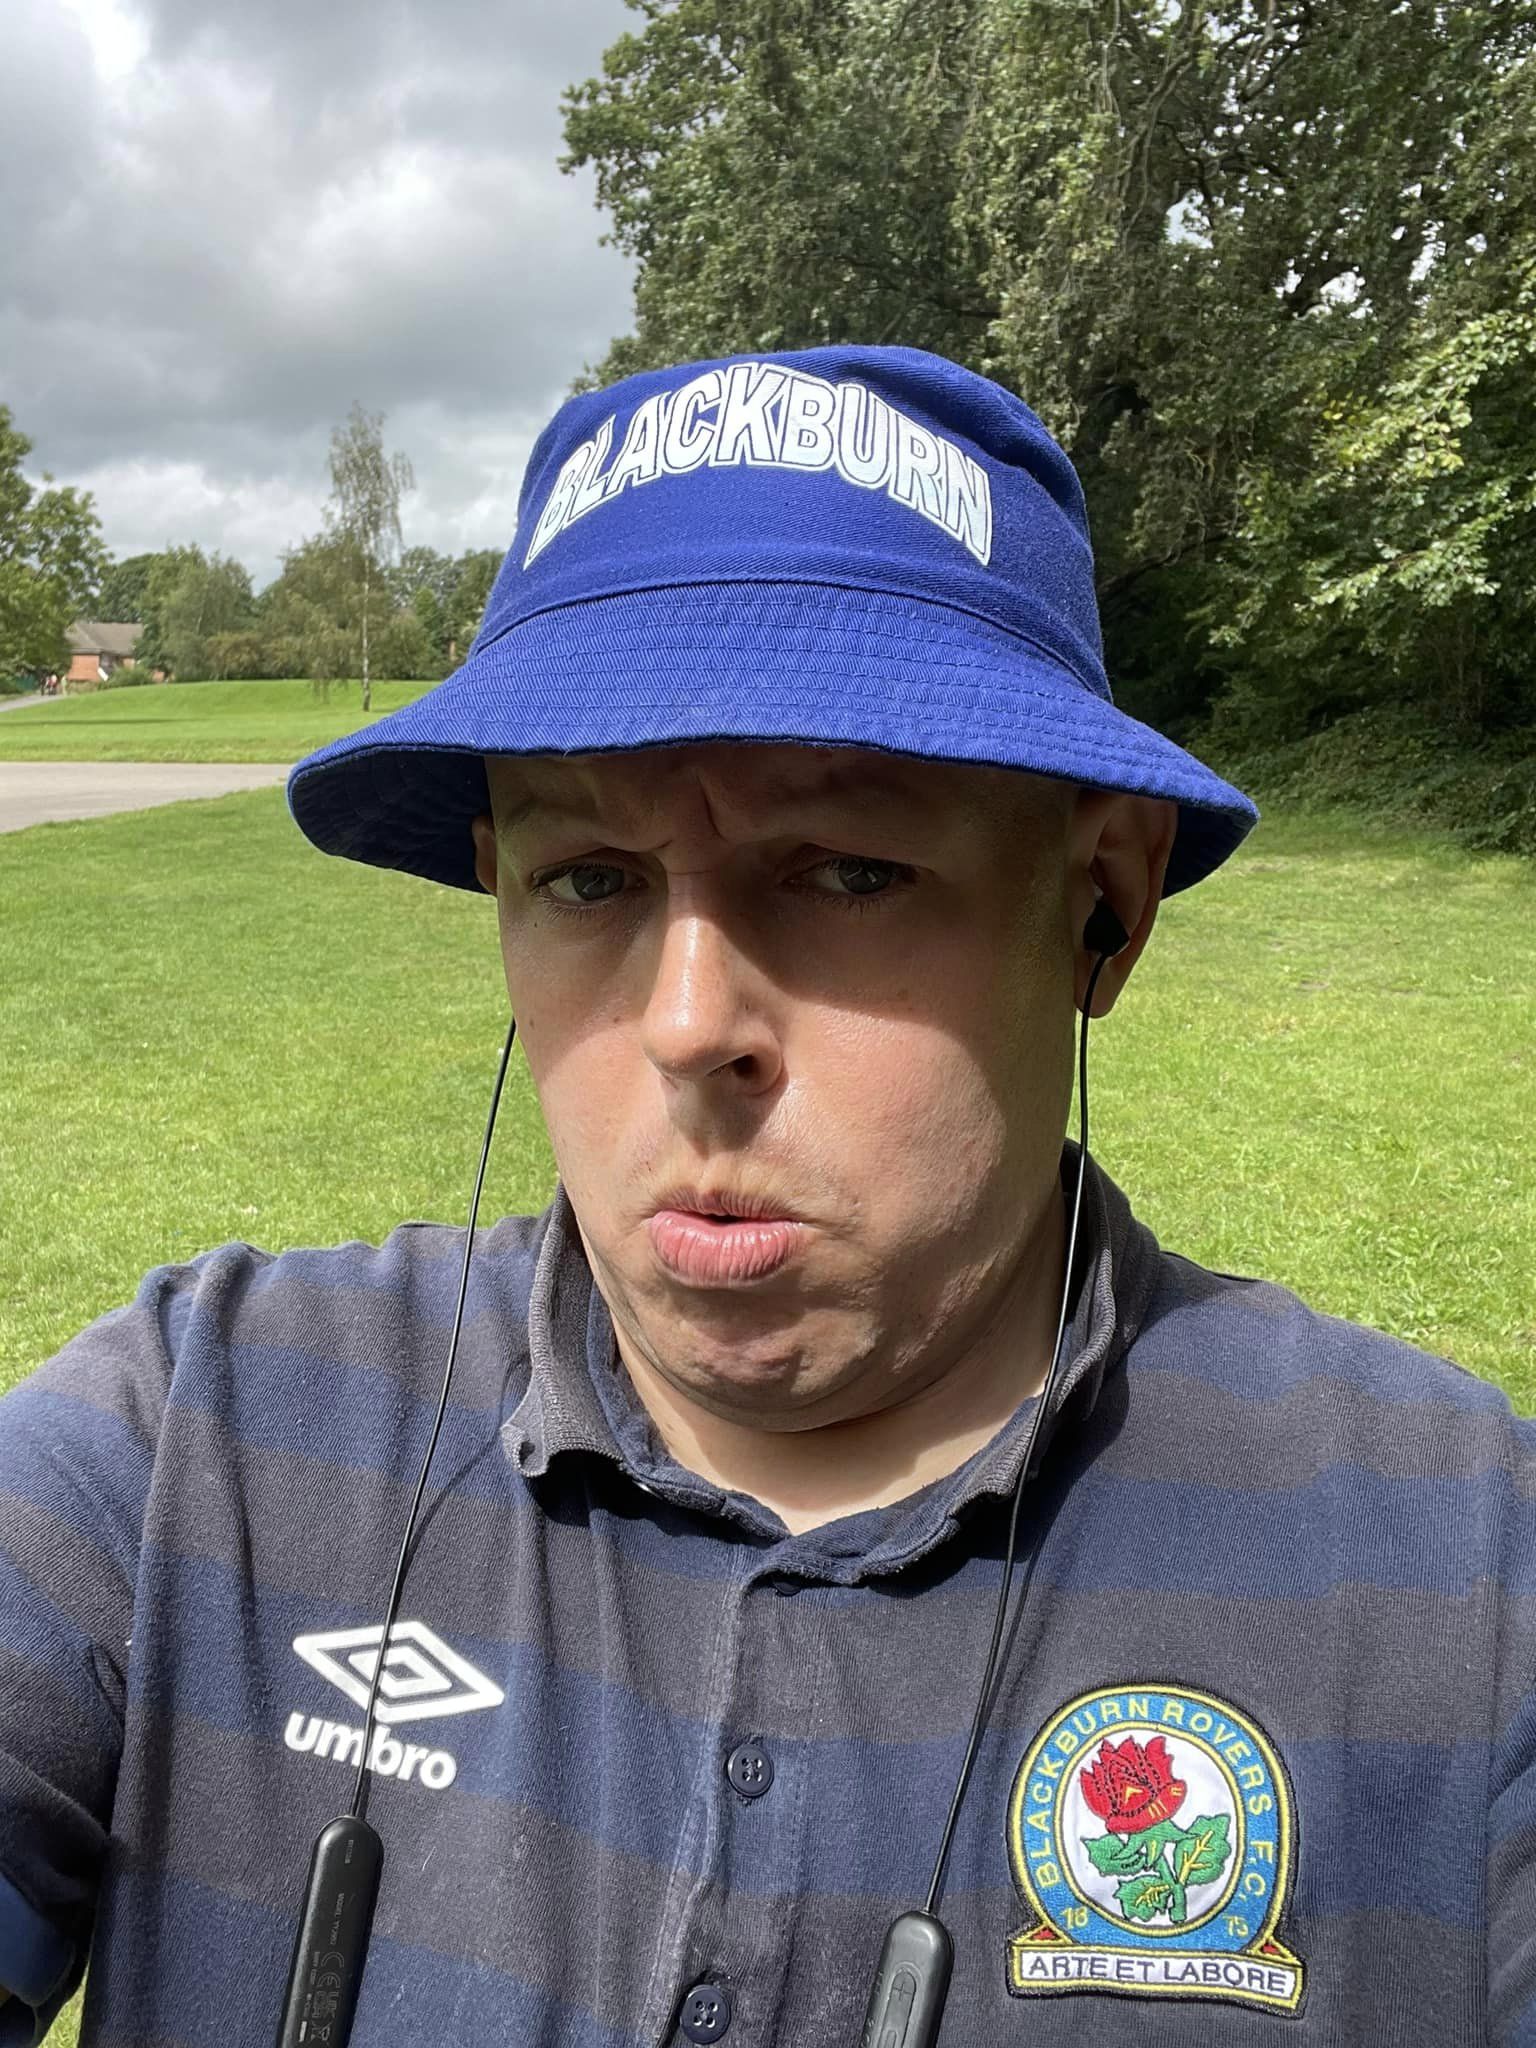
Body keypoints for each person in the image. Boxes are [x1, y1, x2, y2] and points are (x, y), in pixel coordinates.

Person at [1, 344, 1531, 2046]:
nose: (686, 1025)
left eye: (849, 870)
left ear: (1102, 899)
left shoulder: (1461, 1585)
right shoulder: (194, 1442)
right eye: (589, 877)